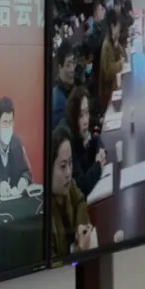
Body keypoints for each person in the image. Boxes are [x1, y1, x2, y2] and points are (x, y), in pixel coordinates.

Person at [49, 125, 97, 258]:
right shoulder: (43, 214)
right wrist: (79, 250)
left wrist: (79, 230)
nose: (69, 173)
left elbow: (81, 201)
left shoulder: (68, 185)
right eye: (63, 166)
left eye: (70, 163)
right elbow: (55, 266)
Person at [0, 97, 32, 198]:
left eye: (10, 122)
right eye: (5, 122)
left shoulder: (17, 144)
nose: (8, 126)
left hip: (16, 203)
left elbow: (27, 173)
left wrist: (24, 180)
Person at [64, 86, 106, 197]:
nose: (85, 121)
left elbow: (97, 140)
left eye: (87, 113)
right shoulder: (68, 142)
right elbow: (81, 187)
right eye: (80, 115)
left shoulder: (82, 132)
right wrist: (98, 165)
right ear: (73, 116)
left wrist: (99, 154)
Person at [98, 7, 123, 111]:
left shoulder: (112, 41)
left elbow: (122, 55)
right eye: (118, 27)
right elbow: (108, 72)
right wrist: (120, 64)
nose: (120, 30)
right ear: (112, 26)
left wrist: (117, 46)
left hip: (113, 87)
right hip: (108, 96)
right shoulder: (106, 45)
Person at [51, 39, 76, 125]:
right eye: (68, 65)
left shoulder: (72, 89)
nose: (72, 69)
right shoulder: (58, 103)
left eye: (73, 63)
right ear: (60, 68)